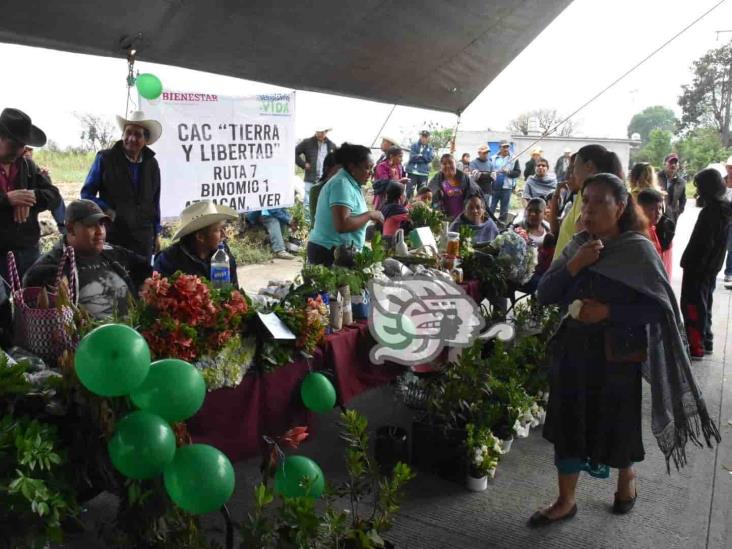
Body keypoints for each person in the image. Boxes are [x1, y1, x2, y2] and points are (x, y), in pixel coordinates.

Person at [534, 172, 719, 526]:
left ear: (620, 207)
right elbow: (545, 293)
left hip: (617, 358)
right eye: (584, 200)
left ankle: (626, 481)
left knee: (617, 426)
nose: (587, 209)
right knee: (569, 423)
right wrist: (576, 264)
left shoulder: (638, 250)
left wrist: (609, 312)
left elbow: (660, 308)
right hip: (573, 354)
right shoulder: (579, 245)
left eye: (599, 201)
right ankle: (566, 499)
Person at [24, 200, 151, 320]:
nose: (100, 231)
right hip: (88, 340)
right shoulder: (50, 269)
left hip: (134, 333)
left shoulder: (113, 252)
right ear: (71, 229)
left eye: (102, 224)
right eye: (91, 226)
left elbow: (144, 270)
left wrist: (146, 284)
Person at [0, 108, 62, 347]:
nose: (20, 151)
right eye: (16, 145)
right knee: (3, 314)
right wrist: (7, 200)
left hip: (28, 250)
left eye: (22, 146)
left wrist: (29, 197)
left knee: (34, 309)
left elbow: (54, 196)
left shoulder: (27, 166)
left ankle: (32, 352)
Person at [81, 110, 162, 261]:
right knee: (115, 279)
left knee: (142, 279)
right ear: (122, 134)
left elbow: (155, 200)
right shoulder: (105, 158)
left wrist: (156, 233)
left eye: (137, 135)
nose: (131, 138)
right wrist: (107, 211)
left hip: (143, 236)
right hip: (114, 233)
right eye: (128, 133)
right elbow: (87, 194)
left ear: (146, 139)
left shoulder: (152, 163)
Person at [680, 169, 732, 359]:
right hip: (710, 268)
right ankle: (705, 340)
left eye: (700, 188)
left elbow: (703, 244)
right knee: (704, 304)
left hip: (698, 268)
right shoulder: (724, 209)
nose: (698, 193)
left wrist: (690, 264)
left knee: (693, 305)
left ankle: (696, 346)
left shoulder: (712, 212)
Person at [307, 143, 383, 266]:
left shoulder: (351, 183)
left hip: (338, 251)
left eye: (372, 168)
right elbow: (342, 225)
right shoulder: (341, 184)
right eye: (367, 168)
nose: (371, 173)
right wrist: (370, 215)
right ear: (352, 167)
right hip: (329, 252)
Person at [552, 144, 624, 260]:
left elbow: (586, 242)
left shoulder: (587, 196)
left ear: (589, 166)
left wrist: (567, 271)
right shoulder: (589, 193)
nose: (572, 173)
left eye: (575, 166)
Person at [154, 201, 240, 286]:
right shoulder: (168, 260)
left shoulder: (223, 252)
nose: (224, 234)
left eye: (223, 228)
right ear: (200, 237)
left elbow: (234, 290)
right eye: (218, 230)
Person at [295, 127, 337, 215]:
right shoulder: (307, 142)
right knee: (308, 203)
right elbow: (294, 153)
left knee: (324, 202)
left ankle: (319, 223)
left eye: (322, 132)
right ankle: (308, 225)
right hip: (310, 178)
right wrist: (303, 164)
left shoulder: (331, 145)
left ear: (326, 132)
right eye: (318, 131)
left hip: (325, 180)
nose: (320, 134)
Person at [428, 153, 482, 221]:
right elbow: (429, 192)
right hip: (444, 219)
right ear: (441, 166)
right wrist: (438, 193)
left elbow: (475, 193)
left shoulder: (464, 178)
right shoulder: (437, 179)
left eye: (450, 162)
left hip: (463, 219)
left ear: (455, 164)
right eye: (444, 163)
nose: (447, 165)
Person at [23, 146, 64, 233]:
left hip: (31, 199)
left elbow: (51, 190)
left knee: (57, 199)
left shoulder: (32, 166)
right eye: (25, 150)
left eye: (30, 150)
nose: (27, 153)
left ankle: (63, 226)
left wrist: (45, 176)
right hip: (18, 205)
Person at [636, 188, 674, 278]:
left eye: (660, 208)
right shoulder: (637, 232)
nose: (658, 213)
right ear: (640, 209)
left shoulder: (664, 227)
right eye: (652, 209)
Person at [490, 140, 521, 222]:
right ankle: (489, 223)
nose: (506, 149)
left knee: (504, 208)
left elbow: (518, 173)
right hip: (495, 186)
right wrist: (493, 173)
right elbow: (489, 171)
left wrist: (508, 172)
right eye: (504, 147)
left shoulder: (514, 158)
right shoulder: (493, 158)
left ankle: (501, 225)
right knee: (491, 207)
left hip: (507, 187)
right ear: (499, 148)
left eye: (507, 147)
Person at [309, 151, 342, 222]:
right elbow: (316, 220)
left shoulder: (344, 189)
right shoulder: (316, 190)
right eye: (339, 171)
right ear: (327, 169)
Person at [373, 146, 408, 210]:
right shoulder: (382, 166)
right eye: (400, 156)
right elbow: (385, 183)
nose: (402, 159)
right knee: (383, 213)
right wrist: (400, 181)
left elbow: (401, 176)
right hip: (384, 196)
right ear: (391, 156)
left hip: (396, 195)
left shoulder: (399, 166)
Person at [657, 153, 686, 224]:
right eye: (670, 163)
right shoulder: (655, 178)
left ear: (678, 166)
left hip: (672, 218)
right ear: (665, 164)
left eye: (675, 163)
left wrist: (678, 212)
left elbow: (683, 199)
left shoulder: (681, 182)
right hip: (657, 216)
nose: (673, 165)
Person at [380, 182, 411, 247]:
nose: (406, 196)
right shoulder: (396, 209)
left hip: (384, 240)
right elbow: (412, 216)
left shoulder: (385, 205)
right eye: (404, 193)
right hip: (391, 242)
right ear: (400, 196)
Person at [405, 130, 434, 199]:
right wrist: (424, 158)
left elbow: (429, 159)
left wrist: (420, 156)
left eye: (426, 137)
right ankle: (408, 206)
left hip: (423, 173)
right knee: (409, 191)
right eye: (423, 136)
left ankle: (419, 207)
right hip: (412, 172)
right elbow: (412, 158)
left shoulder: (430, 148)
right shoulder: (414, 145)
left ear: (428, 138)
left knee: (422, 192)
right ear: (420, 136)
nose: (424, 138)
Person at [722, 156, 732, 289]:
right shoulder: (721, 182)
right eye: (730, 167)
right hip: (722, 219)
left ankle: (729, 272)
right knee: (718, 245)